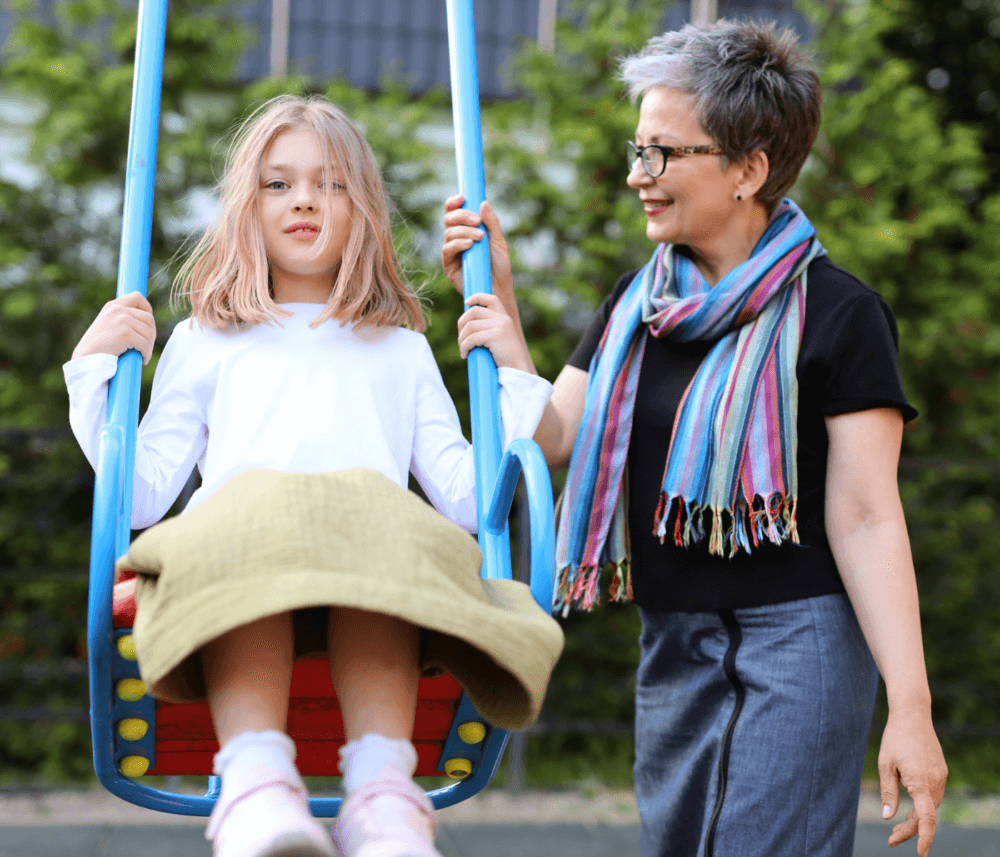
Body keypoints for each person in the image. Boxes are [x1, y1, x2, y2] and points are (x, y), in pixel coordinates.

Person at [442, 19, 947, 857]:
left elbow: (866, 517)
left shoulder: (841, 314)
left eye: (665, 154)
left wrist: (913, 709)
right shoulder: (636, 306)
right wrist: (502, 307)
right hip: (672, 638)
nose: (641, 175)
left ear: (749, 168)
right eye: (639, 150)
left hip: (799, 641)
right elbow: (555, 436)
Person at [65, 94, 564, 857]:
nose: (303, 198)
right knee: (255, 523)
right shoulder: (208, 341)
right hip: (243, 560)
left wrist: (514, 358)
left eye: (330, 183)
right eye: (278, 184)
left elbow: (467, 499)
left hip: (367, 562)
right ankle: (256, 785)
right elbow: (137, 493)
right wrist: (97, 368)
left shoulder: (394, 349)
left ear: (361, 207)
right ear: (246, 207)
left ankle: (383, 794)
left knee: (378, 532)